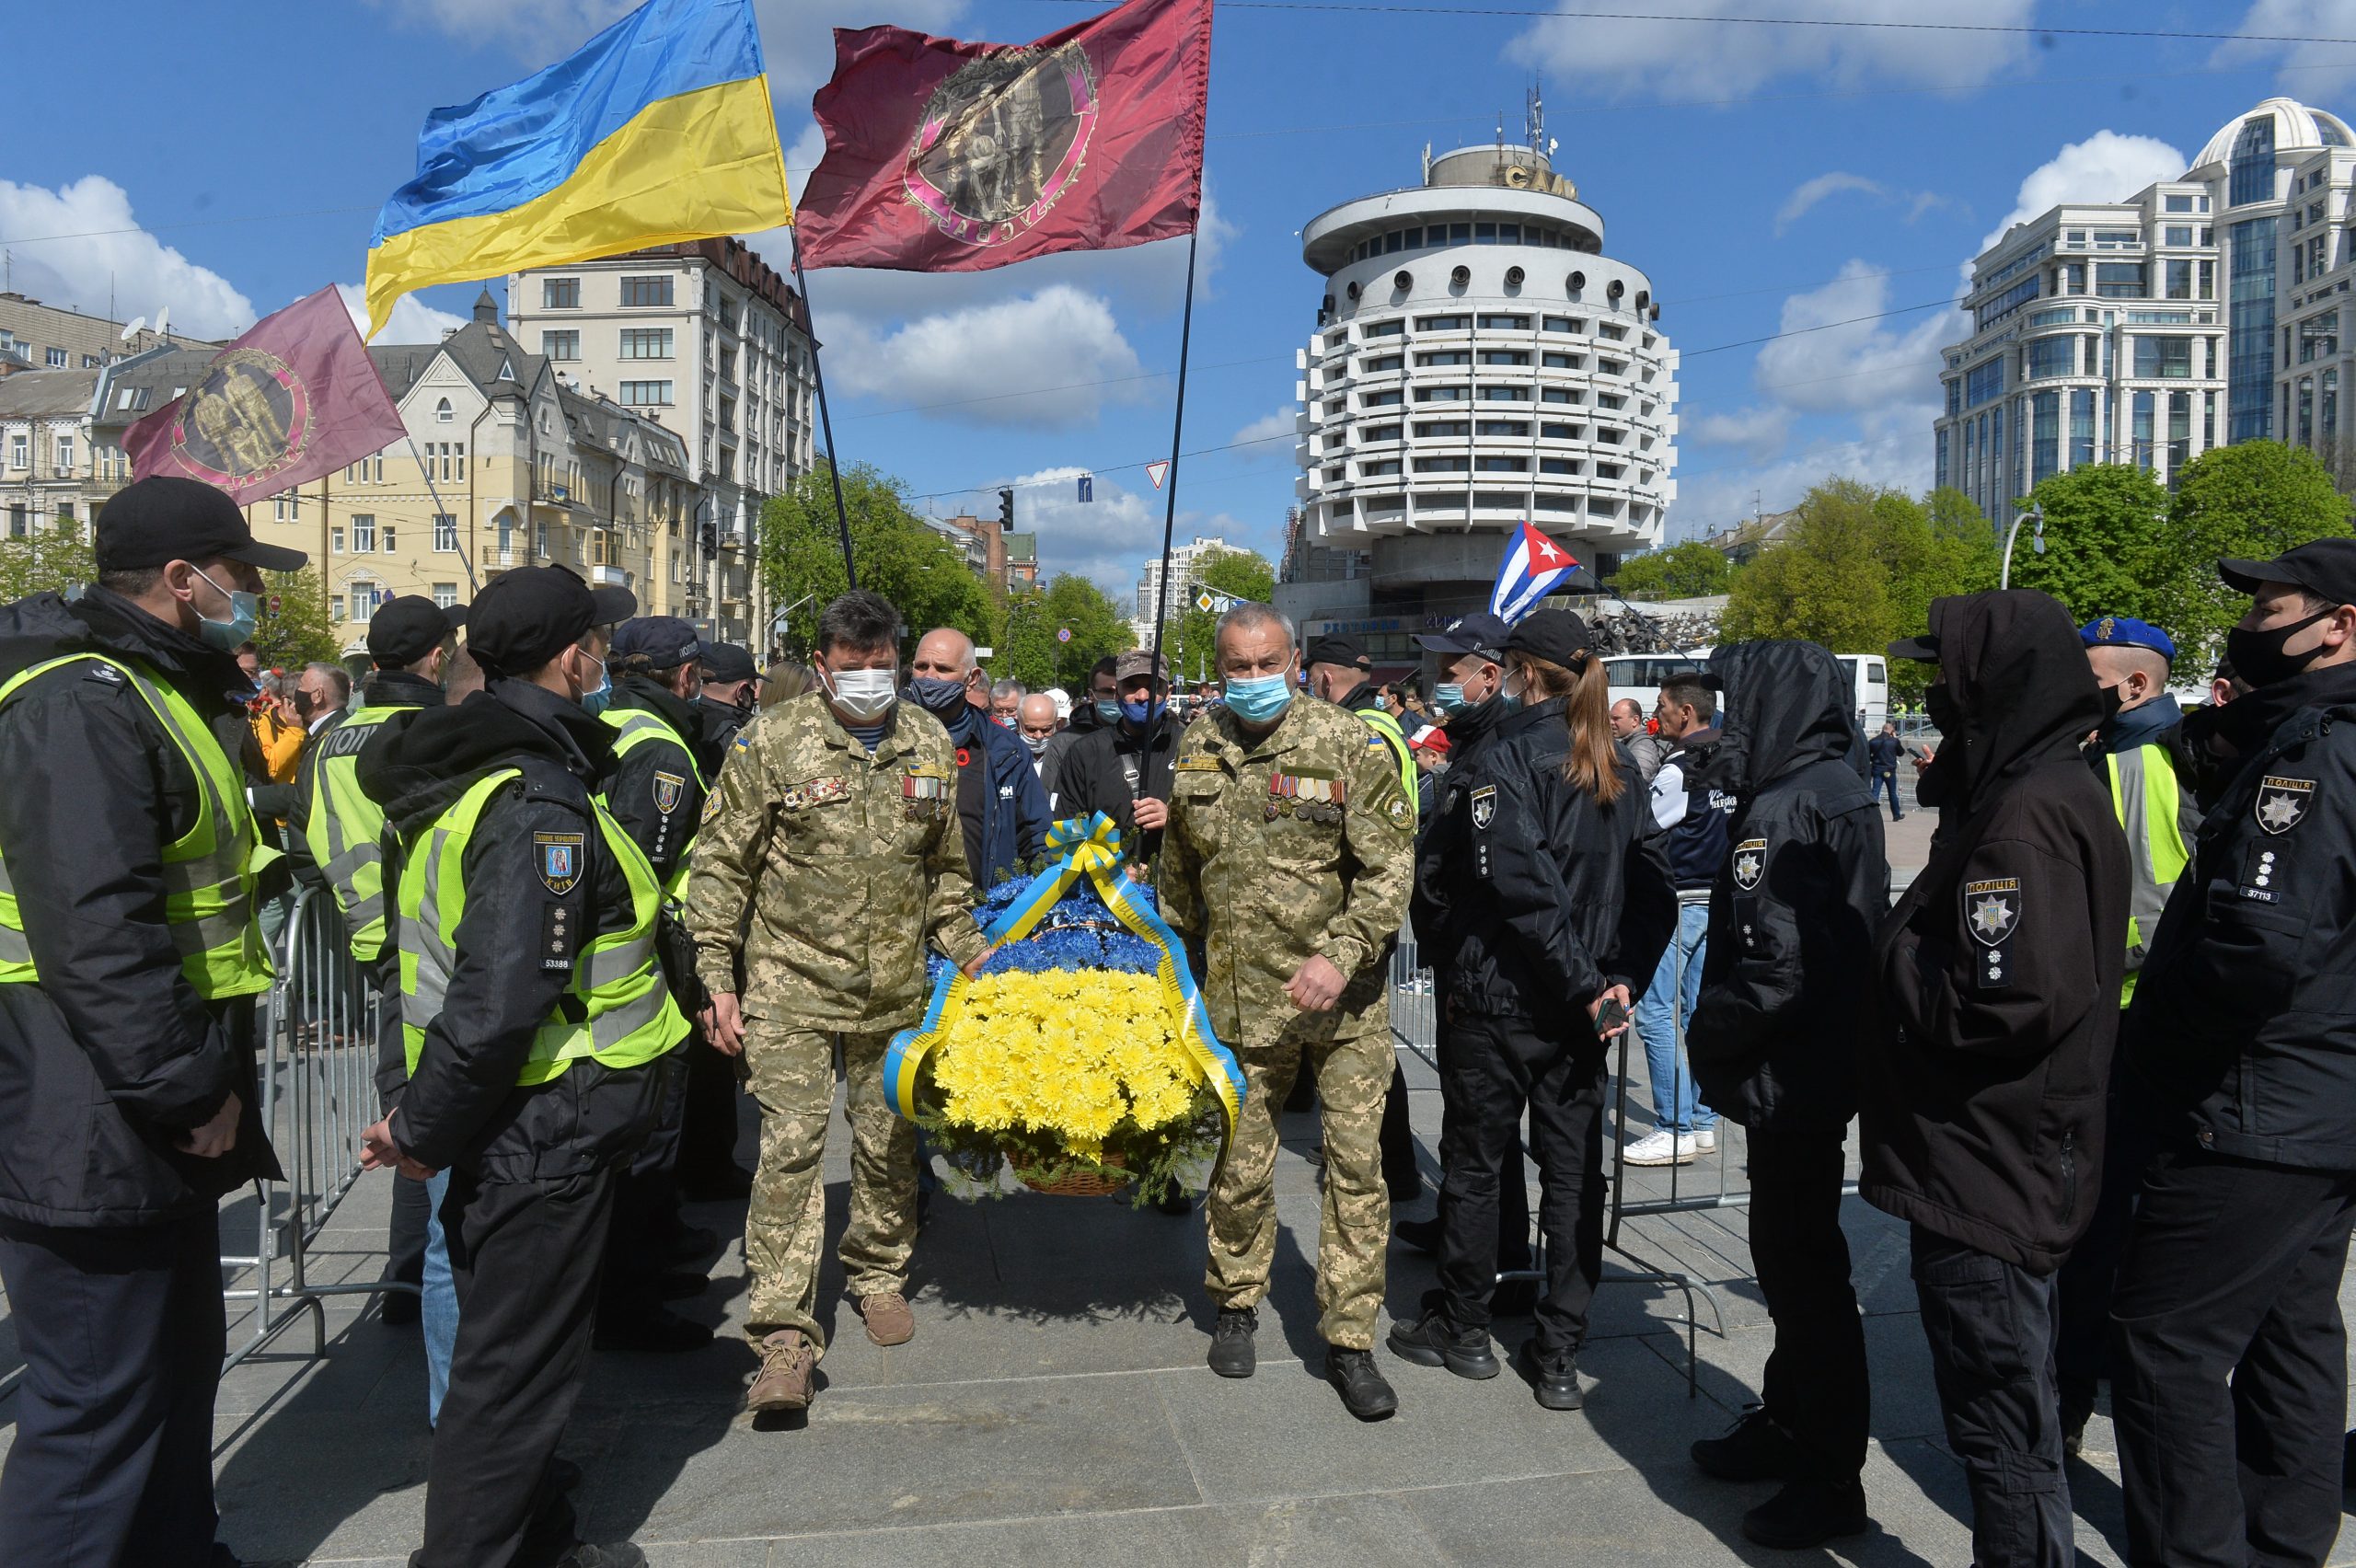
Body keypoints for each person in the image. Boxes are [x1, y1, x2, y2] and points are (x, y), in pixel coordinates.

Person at [357, 565, 680, 1568]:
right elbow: (502, 1000)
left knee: (526, 1369)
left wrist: (424, 1115)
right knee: (511, 1381)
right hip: (540, 1124)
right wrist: (420, 1130)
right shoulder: (539, 796)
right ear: (570, 655)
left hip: (519, 1119)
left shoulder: (486, 760)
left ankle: (541, 1540)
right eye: (593, 642)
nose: (600, 659)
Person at [0, 475, 293, 1568]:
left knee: (171, 1377)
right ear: (182, 581)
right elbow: (97, 930)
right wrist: (187, 1088)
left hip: (130, 1118)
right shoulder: (81, 702)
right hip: (88, 1117)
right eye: (243, 575)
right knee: (92, 1418)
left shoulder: (146, 682)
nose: (253, 593)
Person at [1867, 589, 2128, 1568]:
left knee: (2000, 1422)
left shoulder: (2024, 813)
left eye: (1948, 676)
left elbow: (2006, 999)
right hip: (1996, 1151)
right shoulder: (2038, 788)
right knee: (2006, 1407)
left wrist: (1892, 961)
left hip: (1988, 1158)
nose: (1935, 694)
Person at [2110, 541, 2356, 1568]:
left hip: (2256, 1106)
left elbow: (2255, 947)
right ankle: (2286, 1544)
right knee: (2292, 1335)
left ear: (2337, 625)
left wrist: (2156, 1053)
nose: (2249, 625)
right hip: (2320, 1103)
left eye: (2269, 607)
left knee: (2164, 1345)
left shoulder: (2314, 749)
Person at [687, 591, 991, 1414]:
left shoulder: (927, 740)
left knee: (889, 1142)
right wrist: (716, 977)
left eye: (882, 666)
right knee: (788, 1149)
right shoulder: (772, 741)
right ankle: (782, 1335)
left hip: (894, 989)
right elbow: (720, 865)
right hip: (789, 984)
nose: (870, 681)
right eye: (852, 668)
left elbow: (947, 875)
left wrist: (974, 953)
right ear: (822, 667)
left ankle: (878, 1270)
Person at [1388, 610, 1675, 1412]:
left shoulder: (1511, 756)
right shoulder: (1604, 756)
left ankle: (1469, 1326)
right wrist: (1614, 978)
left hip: (1508, 998)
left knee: (1482, 1165)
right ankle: (1556, 1345)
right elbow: (1652, 891)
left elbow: (1520, 890)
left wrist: (1598, 981)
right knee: (1572, 1170)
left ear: (1520, 669)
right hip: (1568, 1001)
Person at [1161, 602, 1416, 1419]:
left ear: (1297, 660)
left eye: (1267, 663)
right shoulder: (1199, 743)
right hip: (1240, 1001)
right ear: (1219, 667)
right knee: (1240, 1162)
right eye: (1238, 666)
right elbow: (1179, 875)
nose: (1253, 679)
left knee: (1354, 1170)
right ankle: (1236, 1302)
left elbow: (1388, 873)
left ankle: (1350, 1338)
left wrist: (1339, 956)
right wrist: (1166, 966)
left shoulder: (1349, 744)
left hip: (1342, 1007)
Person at [1684, 641, 1888, 1550]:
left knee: (1802, 1277)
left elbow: (1775, 965)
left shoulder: (1789, 802)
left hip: (1790, 1071)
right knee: (1799, 1266)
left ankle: (1827, 1474)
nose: (1727, 719)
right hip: (1817, 1063)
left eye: (1739, 700)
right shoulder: (1835, 783)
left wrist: (1706, 1032)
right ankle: (1788, 1420)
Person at [293, 594, 467, 1333]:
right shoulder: (424, 729)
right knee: (433, 1114)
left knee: (405, 1109)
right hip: (425, 941)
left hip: (367, 939)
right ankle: (426, 1279)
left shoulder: (330, 739)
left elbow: (309, 841)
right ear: (435, 657)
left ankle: (404, 1279)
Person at [2051, 613, 2201, 1454]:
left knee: (2104, 1219)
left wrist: (2074, 967)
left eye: (2092, 673)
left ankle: (2076, 1387)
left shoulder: (2142, 759)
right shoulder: (2121, 750)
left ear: (2135, 685)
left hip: (2125, 1021)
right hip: (2125, 1017)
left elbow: (2150, 907)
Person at [592, 617, 715, 1353]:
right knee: (648, 1132)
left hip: (628, 962)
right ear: (685, 676)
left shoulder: (611, 722)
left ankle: (647, 1265)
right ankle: (632, 1301)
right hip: (648, 961)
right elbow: (647, 868)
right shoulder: (661, 749)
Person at [1401, 611, 1534, 1288]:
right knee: (1467, 1122)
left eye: (1448, 671)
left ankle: (1495, 1262)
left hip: (1482, 968)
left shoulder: (1499, 748)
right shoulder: (1468, 741)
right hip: (1460, 961)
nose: (1436, 682)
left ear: (1489, 675)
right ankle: (1461, 1228)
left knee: (1486, 1129)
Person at [1303, 631, 1424, 1204]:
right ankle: (1386, 1164)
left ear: (1323, 678)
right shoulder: (1383, 725)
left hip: (1359, 914)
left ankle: (1386, 1166)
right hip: (1367, 909)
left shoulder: (1362, 734)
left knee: (1362, 1047)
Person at [1625, 674, 1726, 1167]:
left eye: (1661, 705)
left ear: (1685, 712)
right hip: (1716, 898)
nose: (1655, 714)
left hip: (1680, 900)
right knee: (1696, 1013)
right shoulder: (1728, 760)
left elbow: (1640, 827)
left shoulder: (1679, 769)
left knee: (1655, 1013)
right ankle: (1702, 1120)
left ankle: (1676, 1125)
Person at [907, 628, 1052, 888]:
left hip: (982, 913)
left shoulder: (1008, 750)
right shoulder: (884, 735)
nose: (930, 676)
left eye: (942, 668)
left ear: (971, 678)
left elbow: (1036, 837)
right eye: (921, 666)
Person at [1055, 649, 1180, 865]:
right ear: (1116, 693)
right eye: (1131, 687)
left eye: (1152, 687)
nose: (1142, 696)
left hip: (1174, 891)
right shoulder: (1085, 752)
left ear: (1168, 693)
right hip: (1106, 891)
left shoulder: (1189, 747)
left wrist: (1175, 820)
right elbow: (1066, 835)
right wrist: (1111, 872)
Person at [1041, 655, 1115, 793]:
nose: (1115, 698)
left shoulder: (1144, 736)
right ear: (1092, 694)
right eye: (1107, 692)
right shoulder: (1064, 740)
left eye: (1121, 690)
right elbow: (1049, 796)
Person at [693, 641, 765, 766]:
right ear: (742, 692)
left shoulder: (684, 717)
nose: (756, 695)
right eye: (752, 688)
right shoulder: (735, 737)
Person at [1611, 697, 1669, 783]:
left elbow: (1639, 782)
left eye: (1616, 719)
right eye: (1610, 718)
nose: (1611, 722)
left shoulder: (1642, 745)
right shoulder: (1631, 742)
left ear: (1635, 720)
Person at [1017, 693, 1061, 786]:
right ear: (1018, 724)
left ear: (1056, 725)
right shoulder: (1007, 756)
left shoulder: (1066, 755)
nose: (1038, 736)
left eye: (1046, 729)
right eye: (1031, 729)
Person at [1865, 721, 1905, 821]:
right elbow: (1901, 753)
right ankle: (1896, 815)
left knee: (1875, 791)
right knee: (1892, 793)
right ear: (1891, 730)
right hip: (1889, 770)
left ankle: (1871, 814)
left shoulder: (1873, 741)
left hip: (1877, 769)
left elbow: (1867, 755)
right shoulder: (1894, 741)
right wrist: (1895, 738)